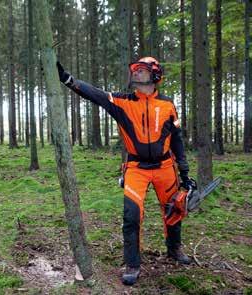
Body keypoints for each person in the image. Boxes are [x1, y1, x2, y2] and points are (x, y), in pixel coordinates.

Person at [57, 57, 194, 286]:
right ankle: (132, 263)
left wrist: (185, 172)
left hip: (165, 167)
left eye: (142, 70)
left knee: (174, 210)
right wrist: (68, 80)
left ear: (155, 75)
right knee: (131, 215)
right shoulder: (122, 102)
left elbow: (177, 140)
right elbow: (95, 94)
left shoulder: (168, 105)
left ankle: (174, 249)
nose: (136, 73)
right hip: (135, 168)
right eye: (135, 70)